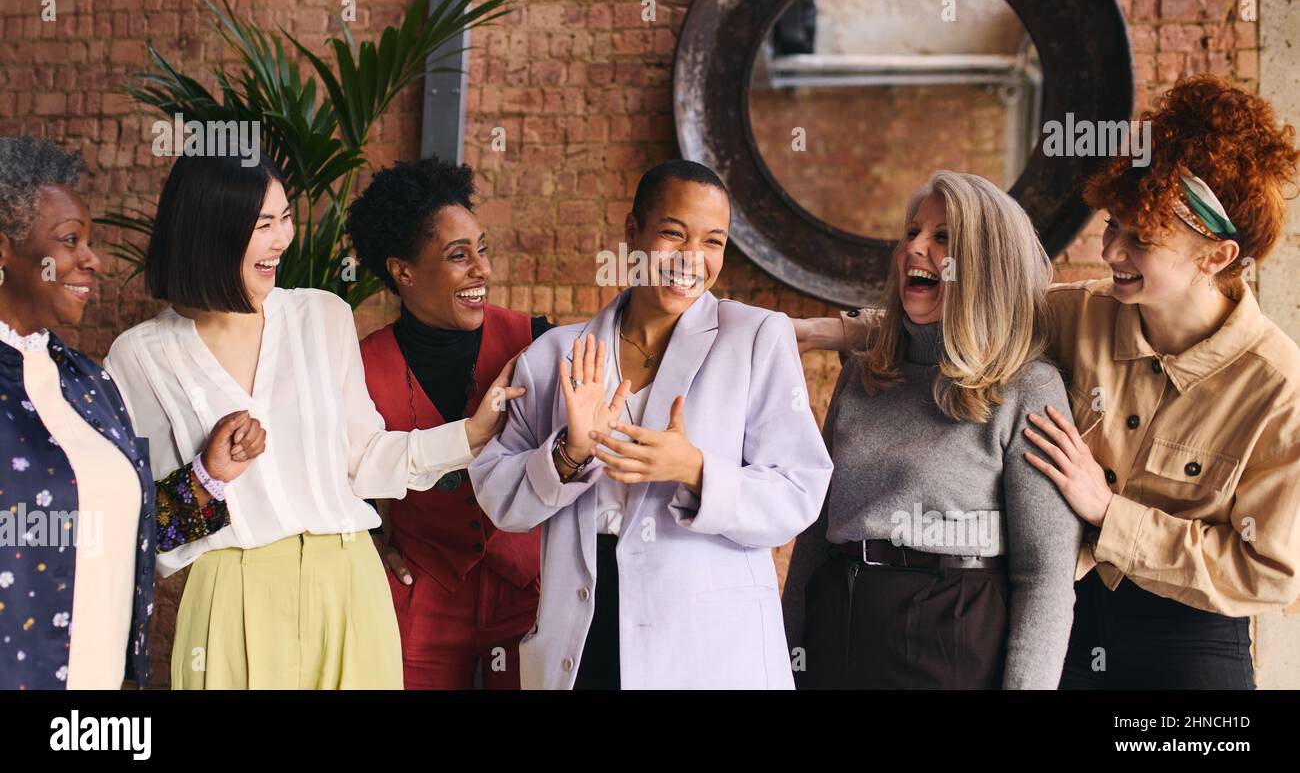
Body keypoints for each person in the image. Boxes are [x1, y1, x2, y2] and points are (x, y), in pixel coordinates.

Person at [795, 75, 1300, 689]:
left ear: (1216, 257)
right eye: (1114, 225)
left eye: (1140, 240)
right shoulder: (1080, 312)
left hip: (1188, 635)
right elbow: (971, 311)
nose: (1111, 251)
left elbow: (1273, 573)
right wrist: (833, 332)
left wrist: (1112, 514)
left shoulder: (1279, 389)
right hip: (1076, 615)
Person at [104, 150, 522, 690]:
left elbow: (364, 458)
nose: (284, 239)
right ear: (211, 230)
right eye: (264, 224)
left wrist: (473, 433)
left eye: (285, 218)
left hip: (348, 582)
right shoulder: (139, 357)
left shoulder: (322, 316)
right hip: (232, 595)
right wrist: (207, 476)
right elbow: (143, 529)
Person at [469, 159, 833, 689]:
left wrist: (696, 470)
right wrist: (569, 453)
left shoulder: (755, 338)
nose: (693, 258)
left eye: (713, 241)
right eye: (673, 233)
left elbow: (799, 489)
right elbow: (500, 499)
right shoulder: (554, 355)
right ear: (631, 232)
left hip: (708, 645)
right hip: (583, 631)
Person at [783, 172, 1082, 689]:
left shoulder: (1030, 387)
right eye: (913, 232)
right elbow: (815, 533)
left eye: (943, 238)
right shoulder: (865, 369)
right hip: (835, 628)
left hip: (951, 640)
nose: (914, 248)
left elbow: (1045, 578)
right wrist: (780, 650)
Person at [0, 137, 261, 690]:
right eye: (70, 241)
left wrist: (208, 477)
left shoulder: (90, 386)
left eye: (90, 241)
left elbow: (133, 535)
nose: (92, 259)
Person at [347, 157, 550, 690]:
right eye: (458, 256)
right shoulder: (360, 367)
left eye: (481, 249)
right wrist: (370, 544)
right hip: (423, 594)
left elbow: (635, 339)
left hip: (527, 589)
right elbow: (337, 477)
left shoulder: (534, 339)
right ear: (403, 271)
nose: (481, 269)